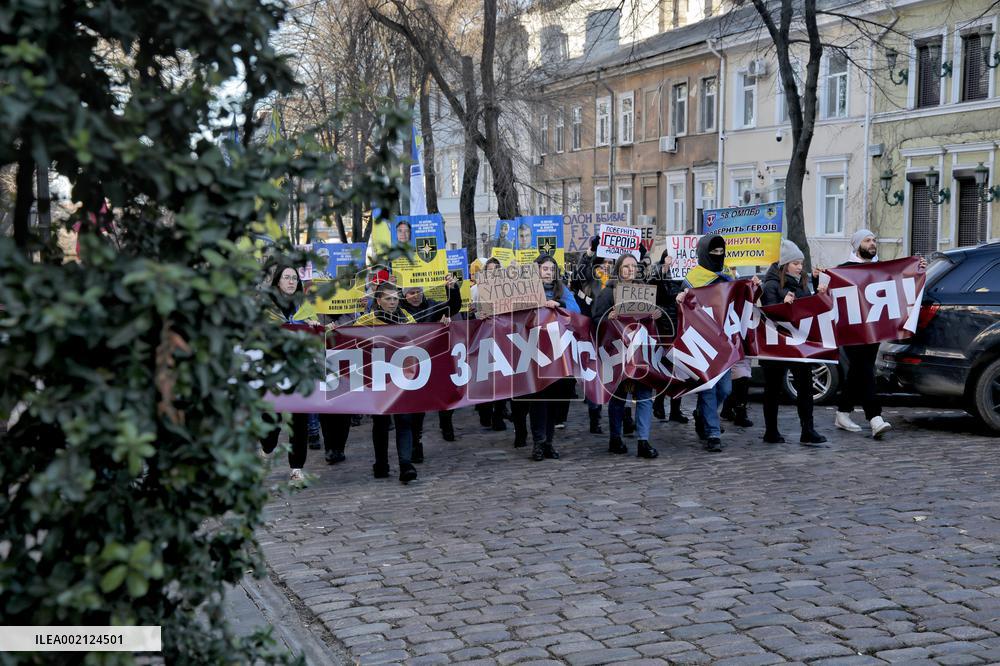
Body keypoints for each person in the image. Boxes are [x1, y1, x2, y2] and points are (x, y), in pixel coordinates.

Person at [833, 229, 926, 439]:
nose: (872, 243)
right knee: (865, 368)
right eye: (867, 240)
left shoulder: (881, 268)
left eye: (874, 240)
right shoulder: (844, 270)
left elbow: (902, 278)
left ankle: (842, 412)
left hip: (874, 328)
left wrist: (917, 269)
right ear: (857, 245)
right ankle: (875, 418)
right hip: (853, 330)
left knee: (858, 370)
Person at [677, 235, 760, 453]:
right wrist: (680, 299)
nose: (717, 256)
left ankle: (701, 413)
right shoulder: (691, 279)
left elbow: (741, 304)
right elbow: (681, 309)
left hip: (724, 344)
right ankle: (713, 433)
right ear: (703, 252)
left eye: (720, 251)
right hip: (703, 343)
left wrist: (753, 288)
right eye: (713, 252)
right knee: (709, 389)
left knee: (725, 388)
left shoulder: (727, 277)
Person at [760, 240, 830, 447]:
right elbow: (769, 311)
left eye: (801, 263)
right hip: (776, 345)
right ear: (784, 264)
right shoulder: (771, 285)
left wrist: (818, 290)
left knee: (805, 388)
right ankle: (771, 431)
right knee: (772, 389)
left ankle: (807, 430)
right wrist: (784, 305)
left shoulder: (801, 283)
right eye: (795, 263)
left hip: (799, 344)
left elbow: (809, 309)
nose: (800, 267)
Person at [591, 253, 660, 460]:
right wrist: (607, 318)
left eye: (633, 266)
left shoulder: (644, 291)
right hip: (618, 353)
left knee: (645, 395)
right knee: (619, 397)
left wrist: (657, 313)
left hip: (641, 353)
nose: (630, 269)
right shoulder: (608, 293)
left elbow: (655, 317)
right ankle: (615, 438)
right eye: (626, 266)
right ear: (619, 269)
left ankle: (643, 441)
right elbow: (594, 320)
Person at [354, 281, 420, 484]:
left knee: (404, 419)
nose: (392, 302)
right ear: (379, 300)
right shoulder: (366, 321)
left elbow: (420, 337)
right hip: (378, 377)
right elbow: (350, 340)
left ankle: (405, 464)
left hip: (401, 376)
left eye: (395, 298)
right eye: (388, 299)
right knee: (381, 422)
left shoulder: (407, 318)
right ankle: (381, 463)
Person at [518, 254, 580, 461]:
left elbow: (576, 311)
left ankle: (549, 443)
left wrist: (558, 303)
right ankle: (538, 443)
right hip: (534, 354)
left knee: (553, 400)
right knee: (538, 400)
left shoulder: (563, 291)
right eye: (544, 269)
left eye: (551, 270)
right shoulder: (526, 290)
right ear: (536, 271)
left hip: (557, 355)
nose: (548, 273)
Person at [261, 265, 315, 484]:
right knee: (270, 420)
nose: (291, 281)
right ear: (278, 282)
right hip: (272, 372)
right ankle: (266, 448)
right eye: (287, 277)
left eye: (294, 278)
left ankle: (296, 469)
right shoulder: (266, 307)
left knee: (298, 421)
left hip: (299, 372)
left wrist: (314, 325)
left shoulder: (306, 306)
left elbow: (317, 334)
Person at [399, 275, 463, 458]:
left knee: (429, 401)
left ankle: (425, 436)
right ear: (405, 295)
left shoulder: (432, 305)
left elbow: (453, 307)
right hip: (407, 364)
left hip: (430, 360)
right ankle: (413, 444)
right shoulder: (399, 310)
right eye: (411, 292)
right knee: (412, 407)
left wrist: (452, 288)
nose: (416, 295)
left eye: (418, 291)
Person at [570, 237, 610, 435]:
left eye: (610, 263)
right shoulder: (590, 277)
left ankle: (625, 416)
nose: (607, 266)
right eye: (603, 263)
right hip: (592, 332)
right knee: (596, 374)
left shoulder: (617, 279)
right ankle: (596, 416)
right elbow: (578, 275)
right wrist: (588, 255)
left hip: (612, 334)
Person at [648, 250, 689, 425]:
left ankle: (675, 409)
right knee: (666, 368)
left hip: (681, 325)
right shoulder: (659, 273)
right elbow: (651, 285)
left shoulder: (685, 274)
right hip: (664, 326)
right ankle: (658, 403)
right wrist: (664, 268)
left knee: (679, 370)